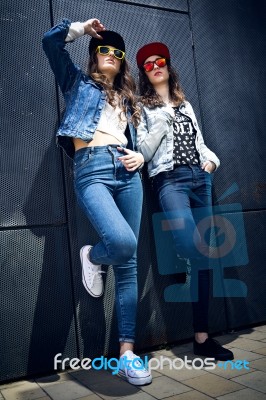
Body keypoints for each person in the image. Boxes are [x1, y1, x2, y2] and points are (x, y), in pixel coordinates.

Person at [42, 18, 152, 385]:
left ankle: (126, 353)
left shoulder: (127, 98)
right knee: (121, 243)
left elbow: (140, 140)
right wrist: (79, 29)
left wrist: (141, 158)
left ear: (121, 62)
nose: (111, 55)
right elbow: (49, 43)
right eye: (105, 49)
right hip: (92, 169)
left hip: (128, 171)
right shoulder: (76, 82)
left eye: (117, 53)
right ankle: (93, 255)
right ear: (94, 56)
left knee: (130, 262)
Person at [136, 42, 234, 361]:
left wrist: (211, 163)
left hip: (199, 178)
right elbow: (145, 150)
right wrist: (162, 117)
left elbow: (199, 142)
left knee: (205, 256)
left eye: (159, 61)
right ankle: (178, 253)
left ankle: (202, 339)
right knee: (191, 246)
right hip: (169, 179)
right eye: (148, 65)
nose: (155, 66)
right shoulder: (142, 107)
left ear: (168, 64)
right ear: (144, 74)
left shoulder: (185, 103)